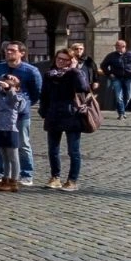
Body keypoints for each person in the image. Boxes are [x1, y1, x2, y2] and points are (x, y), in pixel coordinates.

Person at [0, 42, 43, 185]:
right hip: (0, 112)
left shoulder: (31, 71)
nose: (8, 52)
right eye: (7, 50)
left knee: (23, 143)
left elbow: (36, 92)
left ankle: (26, 174)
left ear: (21, 53)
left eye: (12, 50)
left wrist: (23, 103)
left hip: (21, 112)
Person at [40, 48, 91, 191]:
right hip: (54, 114)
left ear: (72, 61)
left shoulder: (76, 74)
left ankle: (72, 180)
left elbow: (83, 88)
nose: (61, 62)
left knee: (73, 151)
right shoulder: (50, 75)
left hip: (72, 114)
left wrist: (74, 70)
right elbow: (44, 94)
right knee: (53, 150)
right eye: (59, 59)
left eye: (65, 59)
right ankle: (55, 177)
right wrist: (44, 111)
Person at [0, 69, 32, 193]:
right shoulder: (0, 96)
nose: (5, 87)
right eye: (5, 85)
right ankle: (5, 179)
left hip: (10, 131)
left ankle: (14, 181)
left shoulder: (18, 98)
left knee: (13, 158)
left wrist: (10, 89)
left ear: (17, 88)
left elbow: (14, 102)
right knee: (4, 158)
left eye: (10, 85)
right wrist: (5, 76)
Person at [100, 38, 131, 120]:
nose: (116, 48)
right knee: (118, 96)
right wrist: (109, 73)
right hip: (116, 78)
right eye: (116, 46)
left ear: (124, 46)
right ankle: (121, 113)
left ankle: (121, 109)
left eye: (118, 46)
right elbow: (103, 65)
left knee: (128, 96)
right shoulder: (111, 56)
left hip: (128, 78)